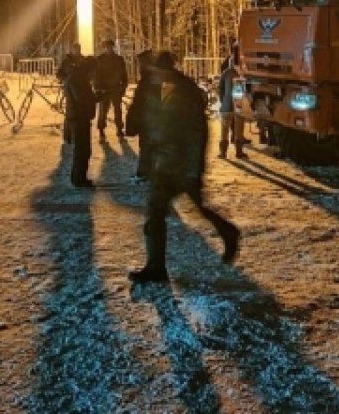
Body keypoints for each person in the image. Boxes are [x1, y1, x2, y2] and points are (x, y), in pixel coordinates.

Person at [129, 51, 240, 284]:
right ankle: (155, 267)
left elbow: (197, 133)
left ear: (168, 71)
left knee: (196, 208)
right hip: (163, 164)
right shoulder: (156, 87)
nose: (154, 76)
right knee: (156, 212)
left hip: (180, 164)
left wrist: (193, 169)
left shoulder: (186, 92)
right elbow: (151, 124)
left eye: (158, 73)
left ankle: (228, 231)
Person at [64, 55, 98, 188]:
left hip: (78, 116)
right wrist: (95, 97)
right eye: (93, 70)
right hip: (78, 117)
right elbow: (82, 99)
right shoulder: (77, 79)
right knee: (82, 149)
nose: (93, 74)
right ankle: (79, 179)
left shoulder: (79, 77)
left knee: (83, 149)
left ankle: (78, 178)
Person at [125, 49, 156, 180]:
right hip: (149, 117)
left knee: (147, 146)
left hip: (150, 117)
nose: (139, 66)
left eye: (141, 63)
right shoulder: (150, 77)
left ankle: (145, 172)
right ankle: (147, 172)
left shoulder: (152, 77)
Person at [216, 42, 248, 159]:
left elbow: (220, 88)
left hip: (226, 104)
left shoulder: (225, 73)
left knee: (224, 129)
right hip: (239, 104)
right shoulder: (243, 73)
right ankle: (239, 152)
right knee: (239, 129)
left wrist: (222, 100)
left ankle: (223, 152)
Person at [93, 39, 129, 139]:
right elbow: (96, 75)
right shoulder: (100, 59)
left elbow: (124, 74)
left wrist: (123, 87)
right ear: (104, 48)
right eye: (107, 47)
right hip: (104, 89)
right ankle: (101, 130)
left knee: (118, 110)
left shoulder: (119, 59)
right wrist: (98, 88)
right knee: (103, 111)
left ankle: (119, 129)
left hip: (116, 88)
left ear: (112, 47)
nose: (109, 48)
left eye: (110, 46)